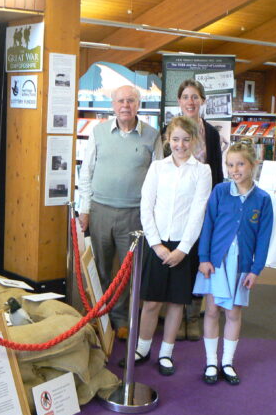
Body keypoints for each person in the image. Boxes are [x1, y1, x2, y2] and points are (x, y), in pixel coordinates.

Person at [122, 117, 211, 374]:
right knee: (150, 302)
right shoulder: (158, 168)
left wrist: (183, 249)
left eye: (185, 139)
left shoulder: (202, 171)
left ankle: (166, 353)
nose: (180, 145)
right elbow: (146, 206)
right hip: (156, 243)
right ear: (167, 141)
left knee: (175, 303)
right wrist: (156, 244)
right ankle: (142, 348)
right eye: (175, 139)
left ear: (193, 140)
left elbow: (198, 212)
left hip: (184, 245)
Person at [79, 85, 161, 340]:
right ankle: (99, 317)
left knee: (127, 271)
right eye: (121, 101)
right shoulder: (99, 132)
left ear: (139, 105)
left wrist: (152, 215)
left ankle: (121, 319)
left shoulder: (152, 135)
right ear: (113, 105)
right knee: (101, 267)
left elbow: (157, 178)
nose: (126, 105)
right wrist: (85, 209)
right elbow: (86, 172)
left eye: (131, 101)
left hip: (134, 214)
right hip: (101, 210)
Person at [193, 139, 273, 385]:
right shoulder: (219, 192)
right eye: (230, 165)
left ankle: (227, 361)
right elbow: (208, 225)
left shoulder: (262, 199)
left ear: (253, 165)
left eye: (240, 164)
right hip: (216, 262)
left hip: (241, 266)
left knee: (234, 312)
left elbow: (264, 238)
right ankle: (210, 362)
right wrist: (204, 258)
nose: (234, 170)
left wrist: (256, 269)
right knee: (213, 309)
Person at [173, 79, 225, 341]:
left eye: (195, 97)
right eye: (185, 97)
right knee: (178, 259)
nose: (190, 101)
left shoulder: (212, 134)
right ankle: (176, 316)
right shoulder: (169, 129)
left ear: (202, 101)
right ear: (179, 101)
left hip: (203, 209)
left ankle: (193, 317)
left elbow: (217, 174)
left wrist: (216, 210)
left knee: (197, 260)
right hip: (177, 208)